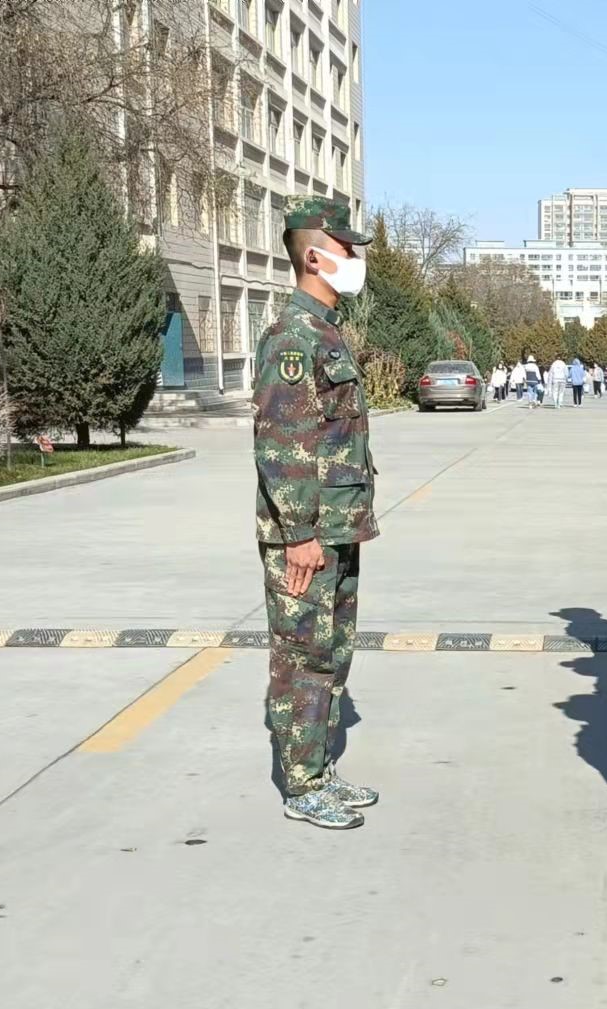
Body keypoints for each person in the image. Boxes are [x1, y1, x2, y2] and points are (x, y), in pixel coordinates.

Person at [252, 195, 381, 831]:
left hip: (337, 526)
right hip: (306, 536)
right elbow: (281, 445)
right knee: (302, 656)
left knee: (332, 654)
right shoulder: (292, 337)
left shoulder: (325, 332)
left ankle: (320, 769)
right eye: (345, 248)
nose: (354, 257)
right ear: (313, 257)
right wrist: (298, 534)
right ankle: (301, 785)